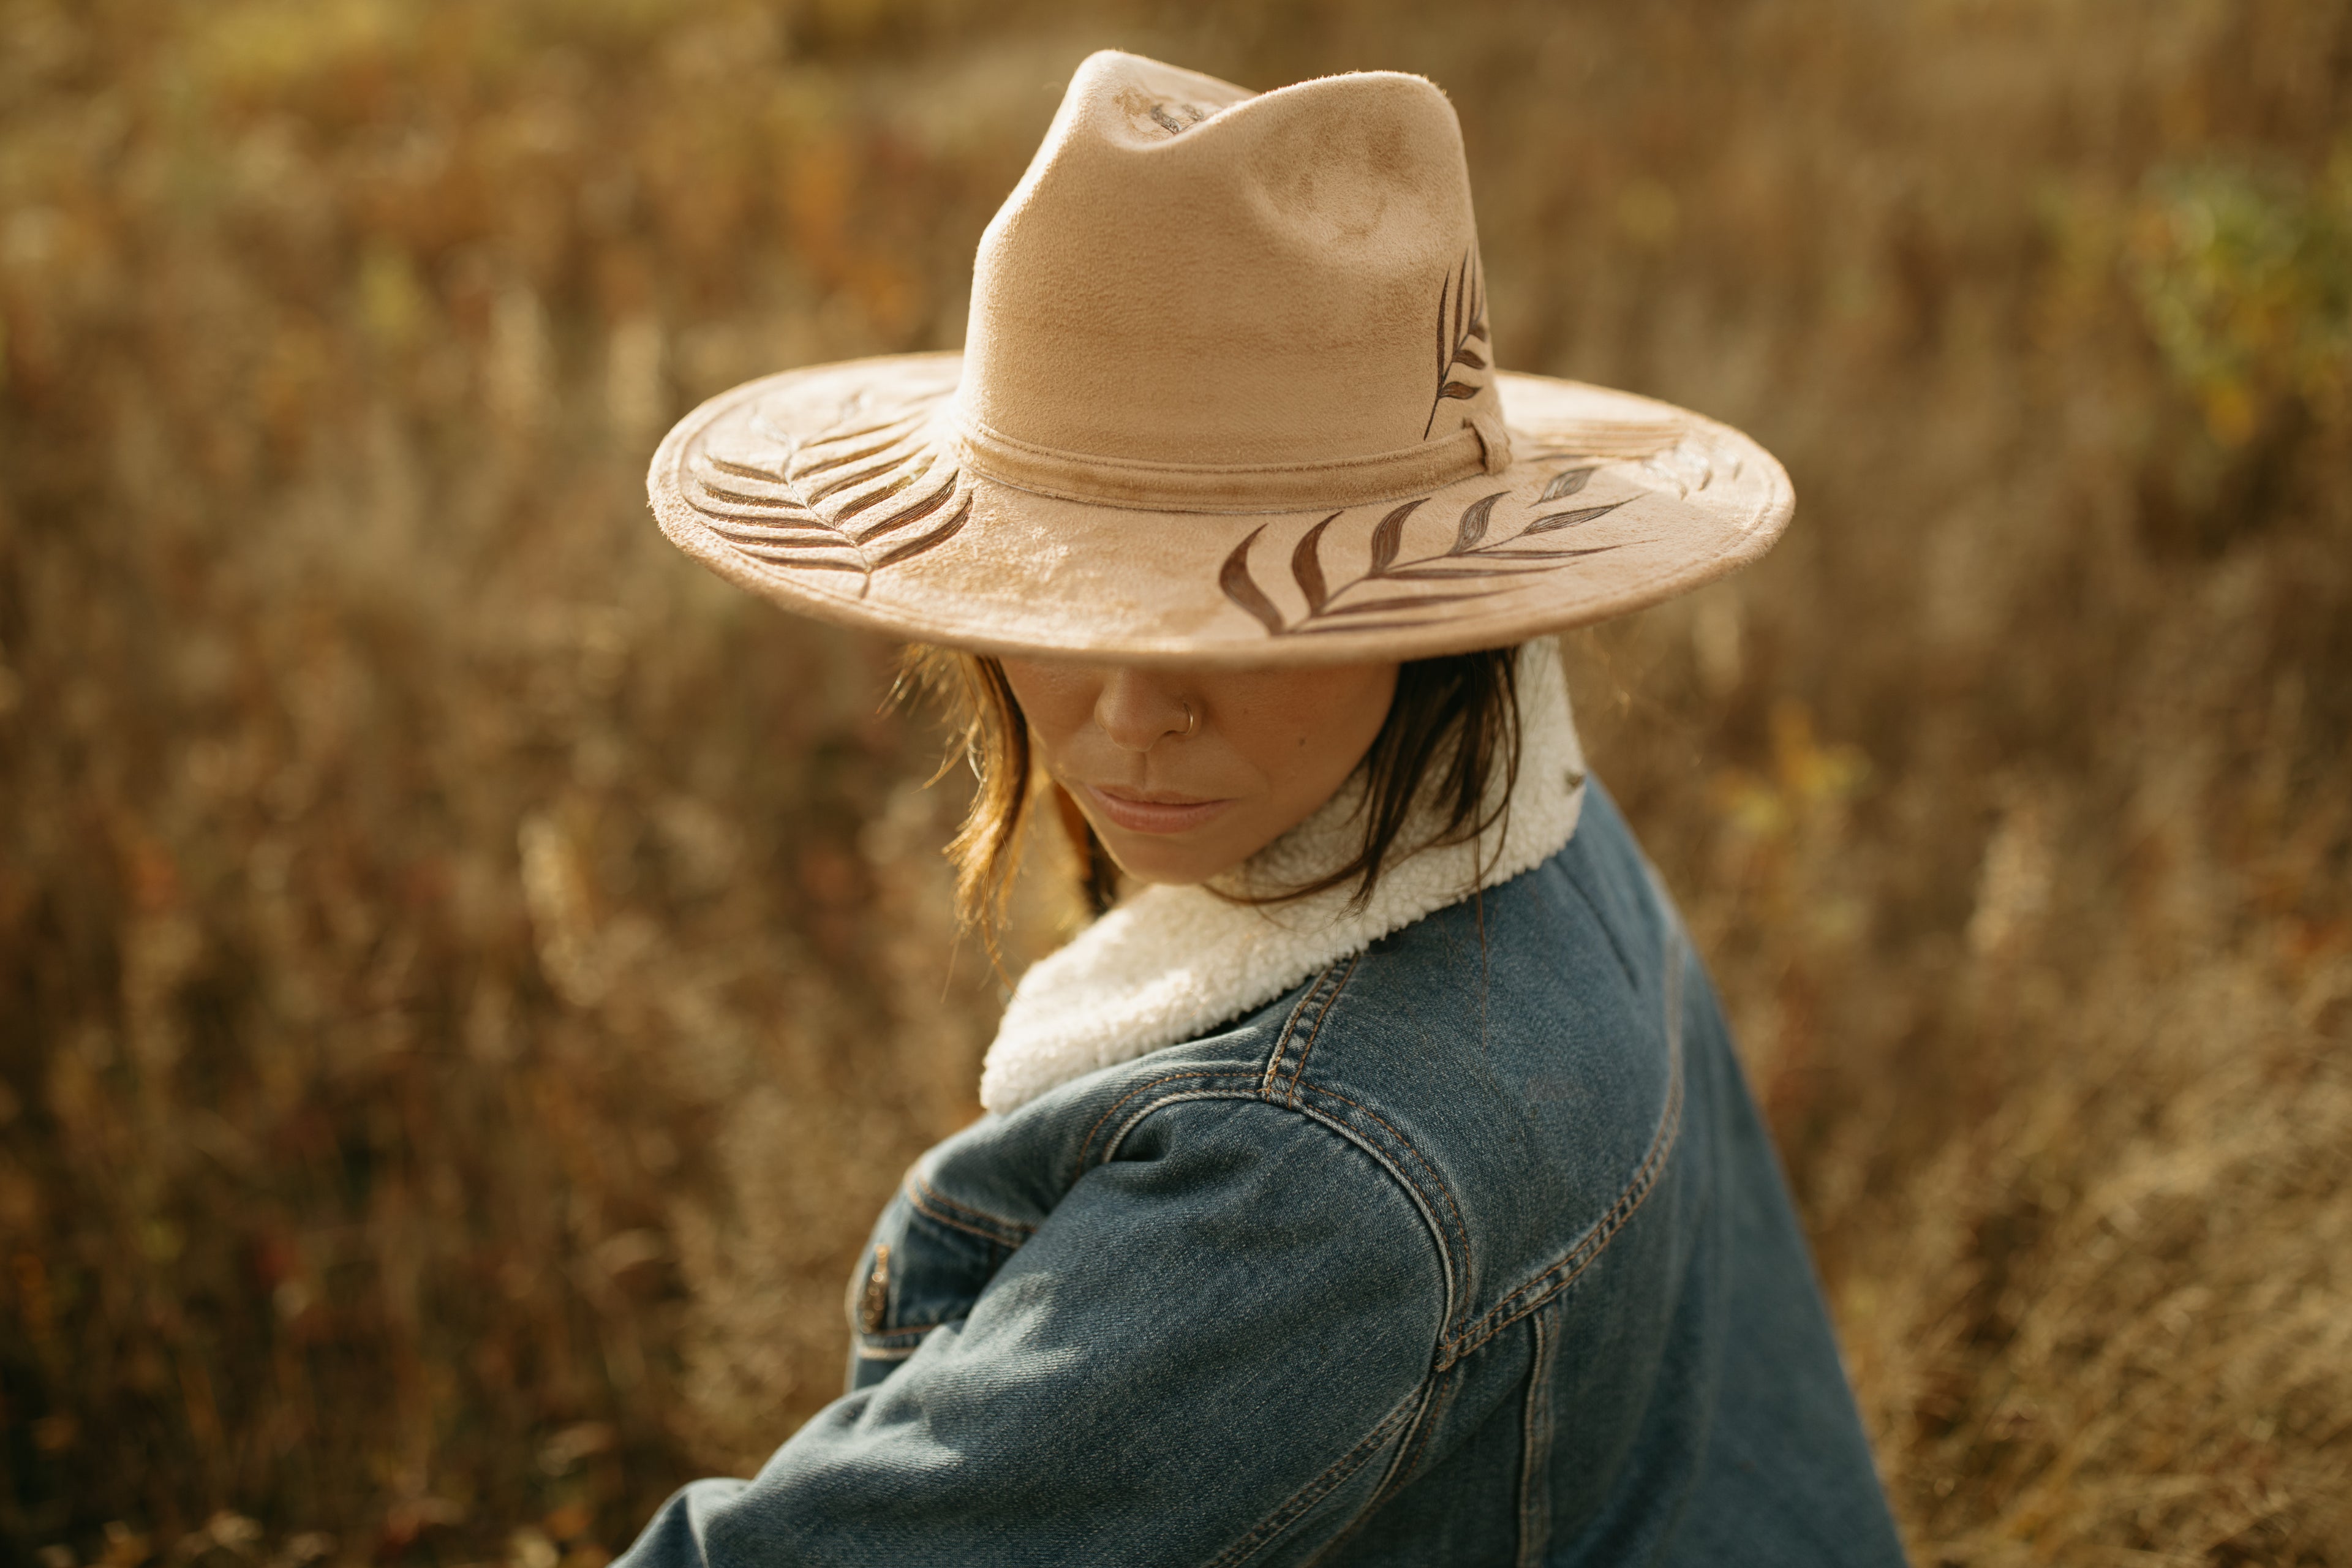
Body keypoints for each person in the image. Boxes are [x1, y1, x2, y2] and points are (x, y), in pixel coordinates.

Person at [623, 49, 1907, 1567]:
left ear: (1427, 610)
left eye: (1228, 624)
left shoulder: (1311, 1175)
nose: (1130, 714)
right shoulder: (1523, 812)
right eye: (1054, 596)